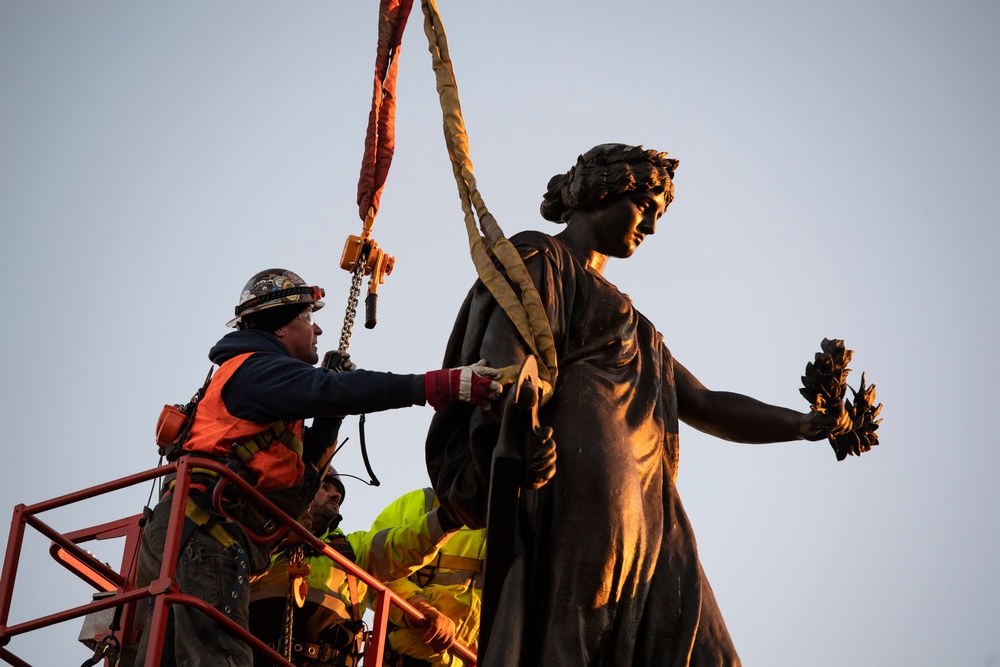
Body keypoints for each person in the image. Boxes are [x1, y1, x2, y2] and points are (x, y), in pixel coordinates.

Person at [425, 144, 853, 666]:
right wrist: (522, 427)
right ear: (601, 191)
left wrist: (802, 424)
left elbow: (703, 402)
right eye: (645, 204)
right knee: (575, 625)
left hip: (651, 495)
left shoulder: (642, 330)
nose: (651, 225)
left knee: (701, 646)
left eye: (658, 214)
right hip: (583, 475)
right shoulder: (540, 256)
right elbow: (504, 366)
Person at [132, 268, 502, 666]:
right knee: (219, 656)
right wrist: (439, 385)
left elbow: (300, 483)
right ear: (278, 329)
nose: (318, 329)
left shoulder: (259, 385)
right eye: (307, 319)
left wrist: (331, 416)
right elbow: (330, 390)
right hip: (206, 532)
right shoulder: (255, 369)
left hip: (192, 532)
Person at [249, 469, 461, 667]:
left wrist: (448, 518)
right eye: (325, 487)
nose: (336, 496)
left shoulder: (353, 549)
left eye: (338, 493)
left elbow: (400, 545)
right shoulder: (261, 542)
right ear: (299, 490)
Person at [369, 488, 485, 667]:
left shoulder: (520, 521)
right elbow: (375, 565)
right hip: (410, 655)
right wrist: (417, 605)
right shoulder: (421, 503)